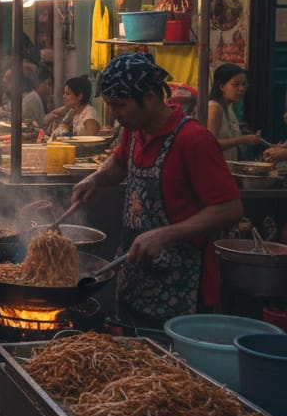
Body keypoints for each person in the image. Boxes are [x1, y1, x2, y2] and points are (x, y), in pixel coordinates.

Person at [71, 53, 242, 327]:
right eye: (109, 106)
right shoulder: (135, 129)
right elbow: (119, 161)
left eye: (119, 106)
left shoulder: (194, 140)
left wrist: (165, 234)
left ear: (150, 96)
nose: (114, 115)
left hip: (182, 288)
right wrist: (96, 179)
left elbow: (230, 208)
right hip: (135, 279)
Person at [207, 64, 263, 161]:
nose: (241, 89)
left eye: (244, 84)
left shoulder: (229, 108)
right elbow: (210, 144)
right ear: (222, 86)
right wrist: (244, 139)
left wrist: (238, 129)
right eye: (236, 84)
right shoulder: (214, 109)